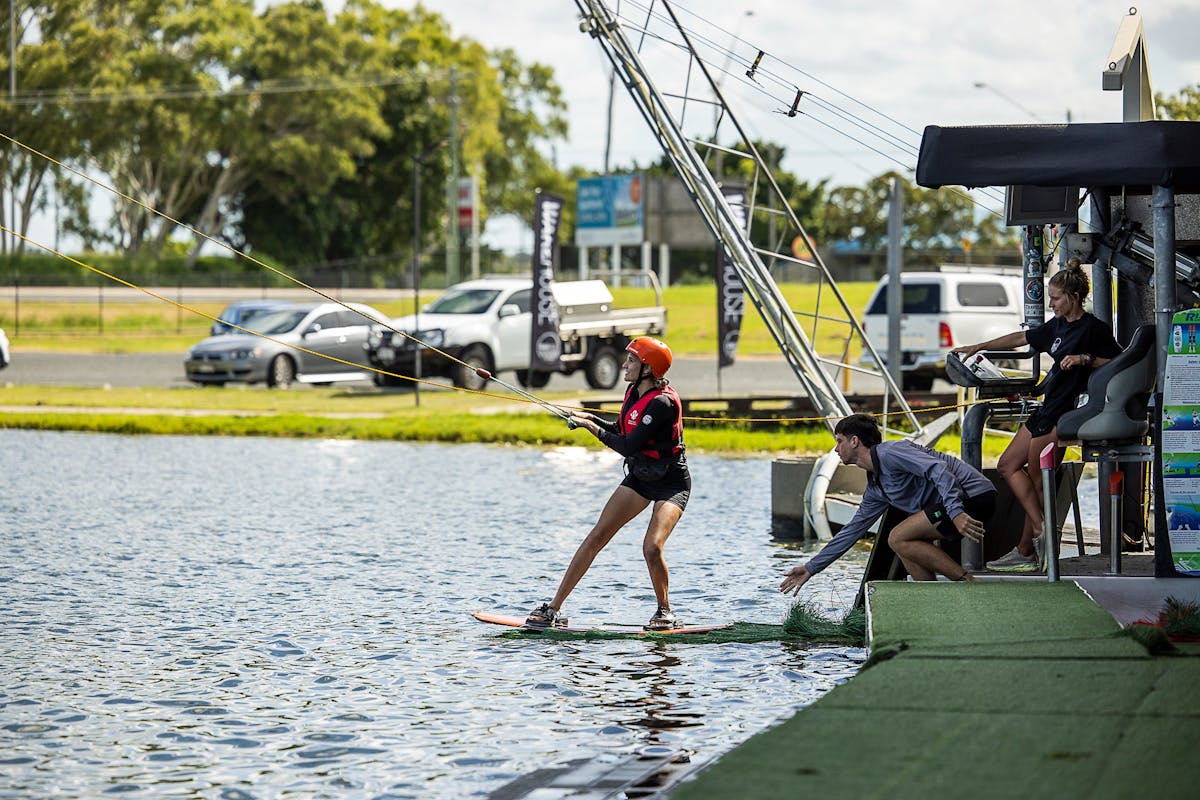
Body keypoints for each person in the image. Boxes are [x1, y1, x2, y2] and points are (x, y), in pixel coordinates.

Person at [951, 260, 1121, 573]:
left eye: (1055, 298)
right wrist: (980, 347)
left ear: (1072, 296)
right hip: (1047, 408)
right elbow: (1022, 339)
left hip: (1066, 413)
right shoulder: (1056, 327)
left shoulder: (1093, 328)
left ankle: (1030, 547)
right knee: (1007, 465)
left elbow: (1119, 361)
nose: (1051, 303)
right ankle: (1039, 536)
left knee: (1038, 478)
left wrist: (1086, 358)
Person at [525, 337, 691, 631]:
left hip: (671, 482)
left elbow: (628, 445)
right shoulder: (633, 392)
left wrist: (590, 426)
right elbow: (622, 429)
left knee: (652, 546)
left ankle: (665, 612)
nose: (624, 365)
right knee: (597, 536)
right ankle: (553, 608)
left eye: (631, 361)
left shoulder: (663, 403)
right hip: (641, 477)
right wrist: (588, 417)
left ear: (648, 368)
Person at [780, 413, 996, 596]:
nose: (836, 449)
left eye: (839, 441)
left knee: (897, 536)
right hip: (949, 507)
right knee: (903, 546)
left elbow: (939, 469)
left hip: (973, 497)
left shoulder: (890, 452)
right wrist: (811, 568)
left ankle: (968, 585)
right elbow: (851, 531)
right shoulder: (876, 488)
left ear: (854, 441)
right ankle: (932, 599)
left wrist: (956, 511)